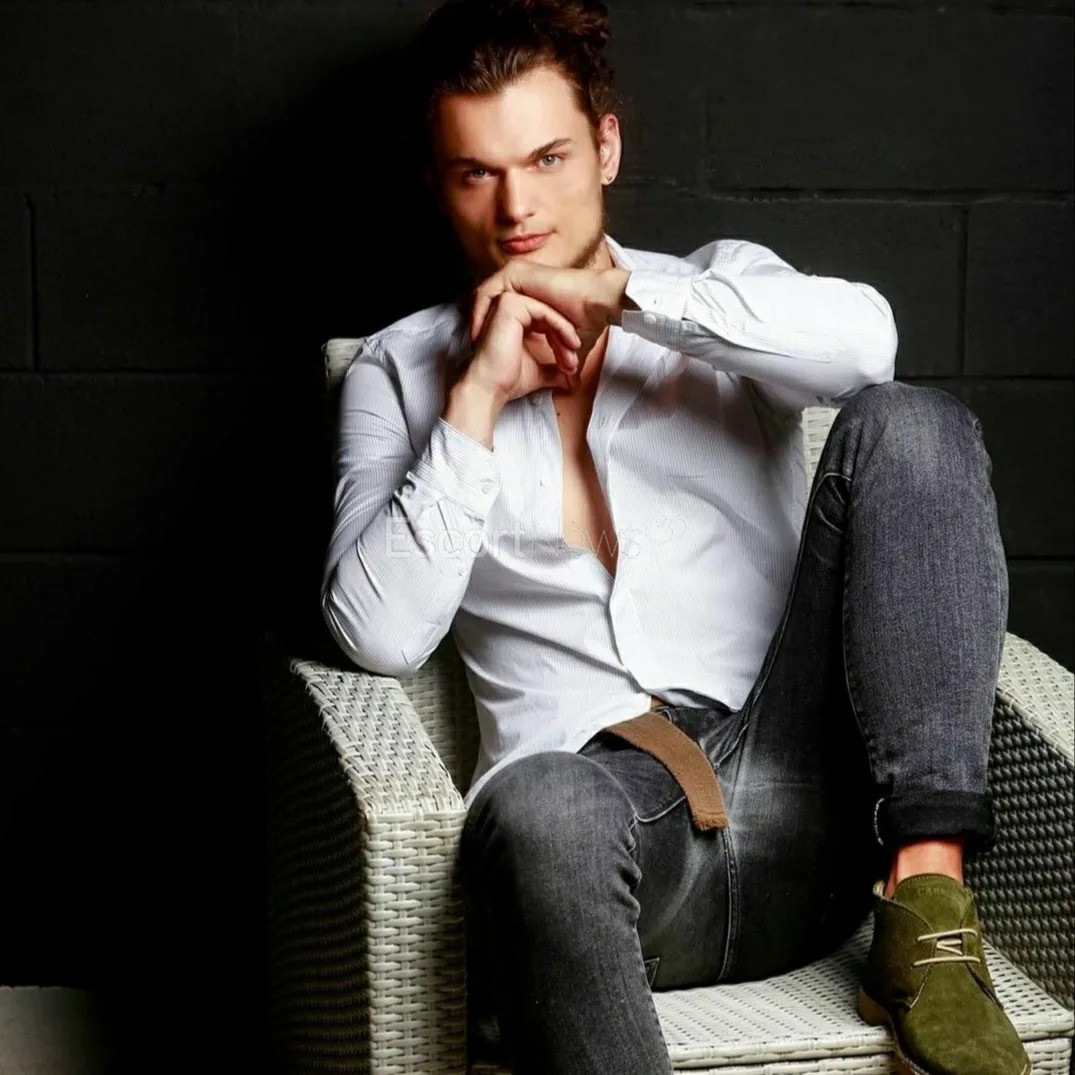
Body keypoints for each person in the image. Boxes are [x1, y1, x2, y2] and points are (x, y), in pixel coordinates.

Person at [319, 1, 1031, 1072]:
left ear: (605, 146)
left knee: (911, 423)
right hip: (610, 850)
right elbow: (376, 634)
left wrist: (626, 299)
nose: (517, 208)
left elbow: (868, 345)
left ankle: (927, 916)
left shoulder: (711, 290)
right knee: (537, 802)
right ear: (438, 183)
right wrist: (474, 399)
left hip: (805, 805)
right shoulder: (395, 369)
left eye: (549, 158)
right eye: (476, 174)